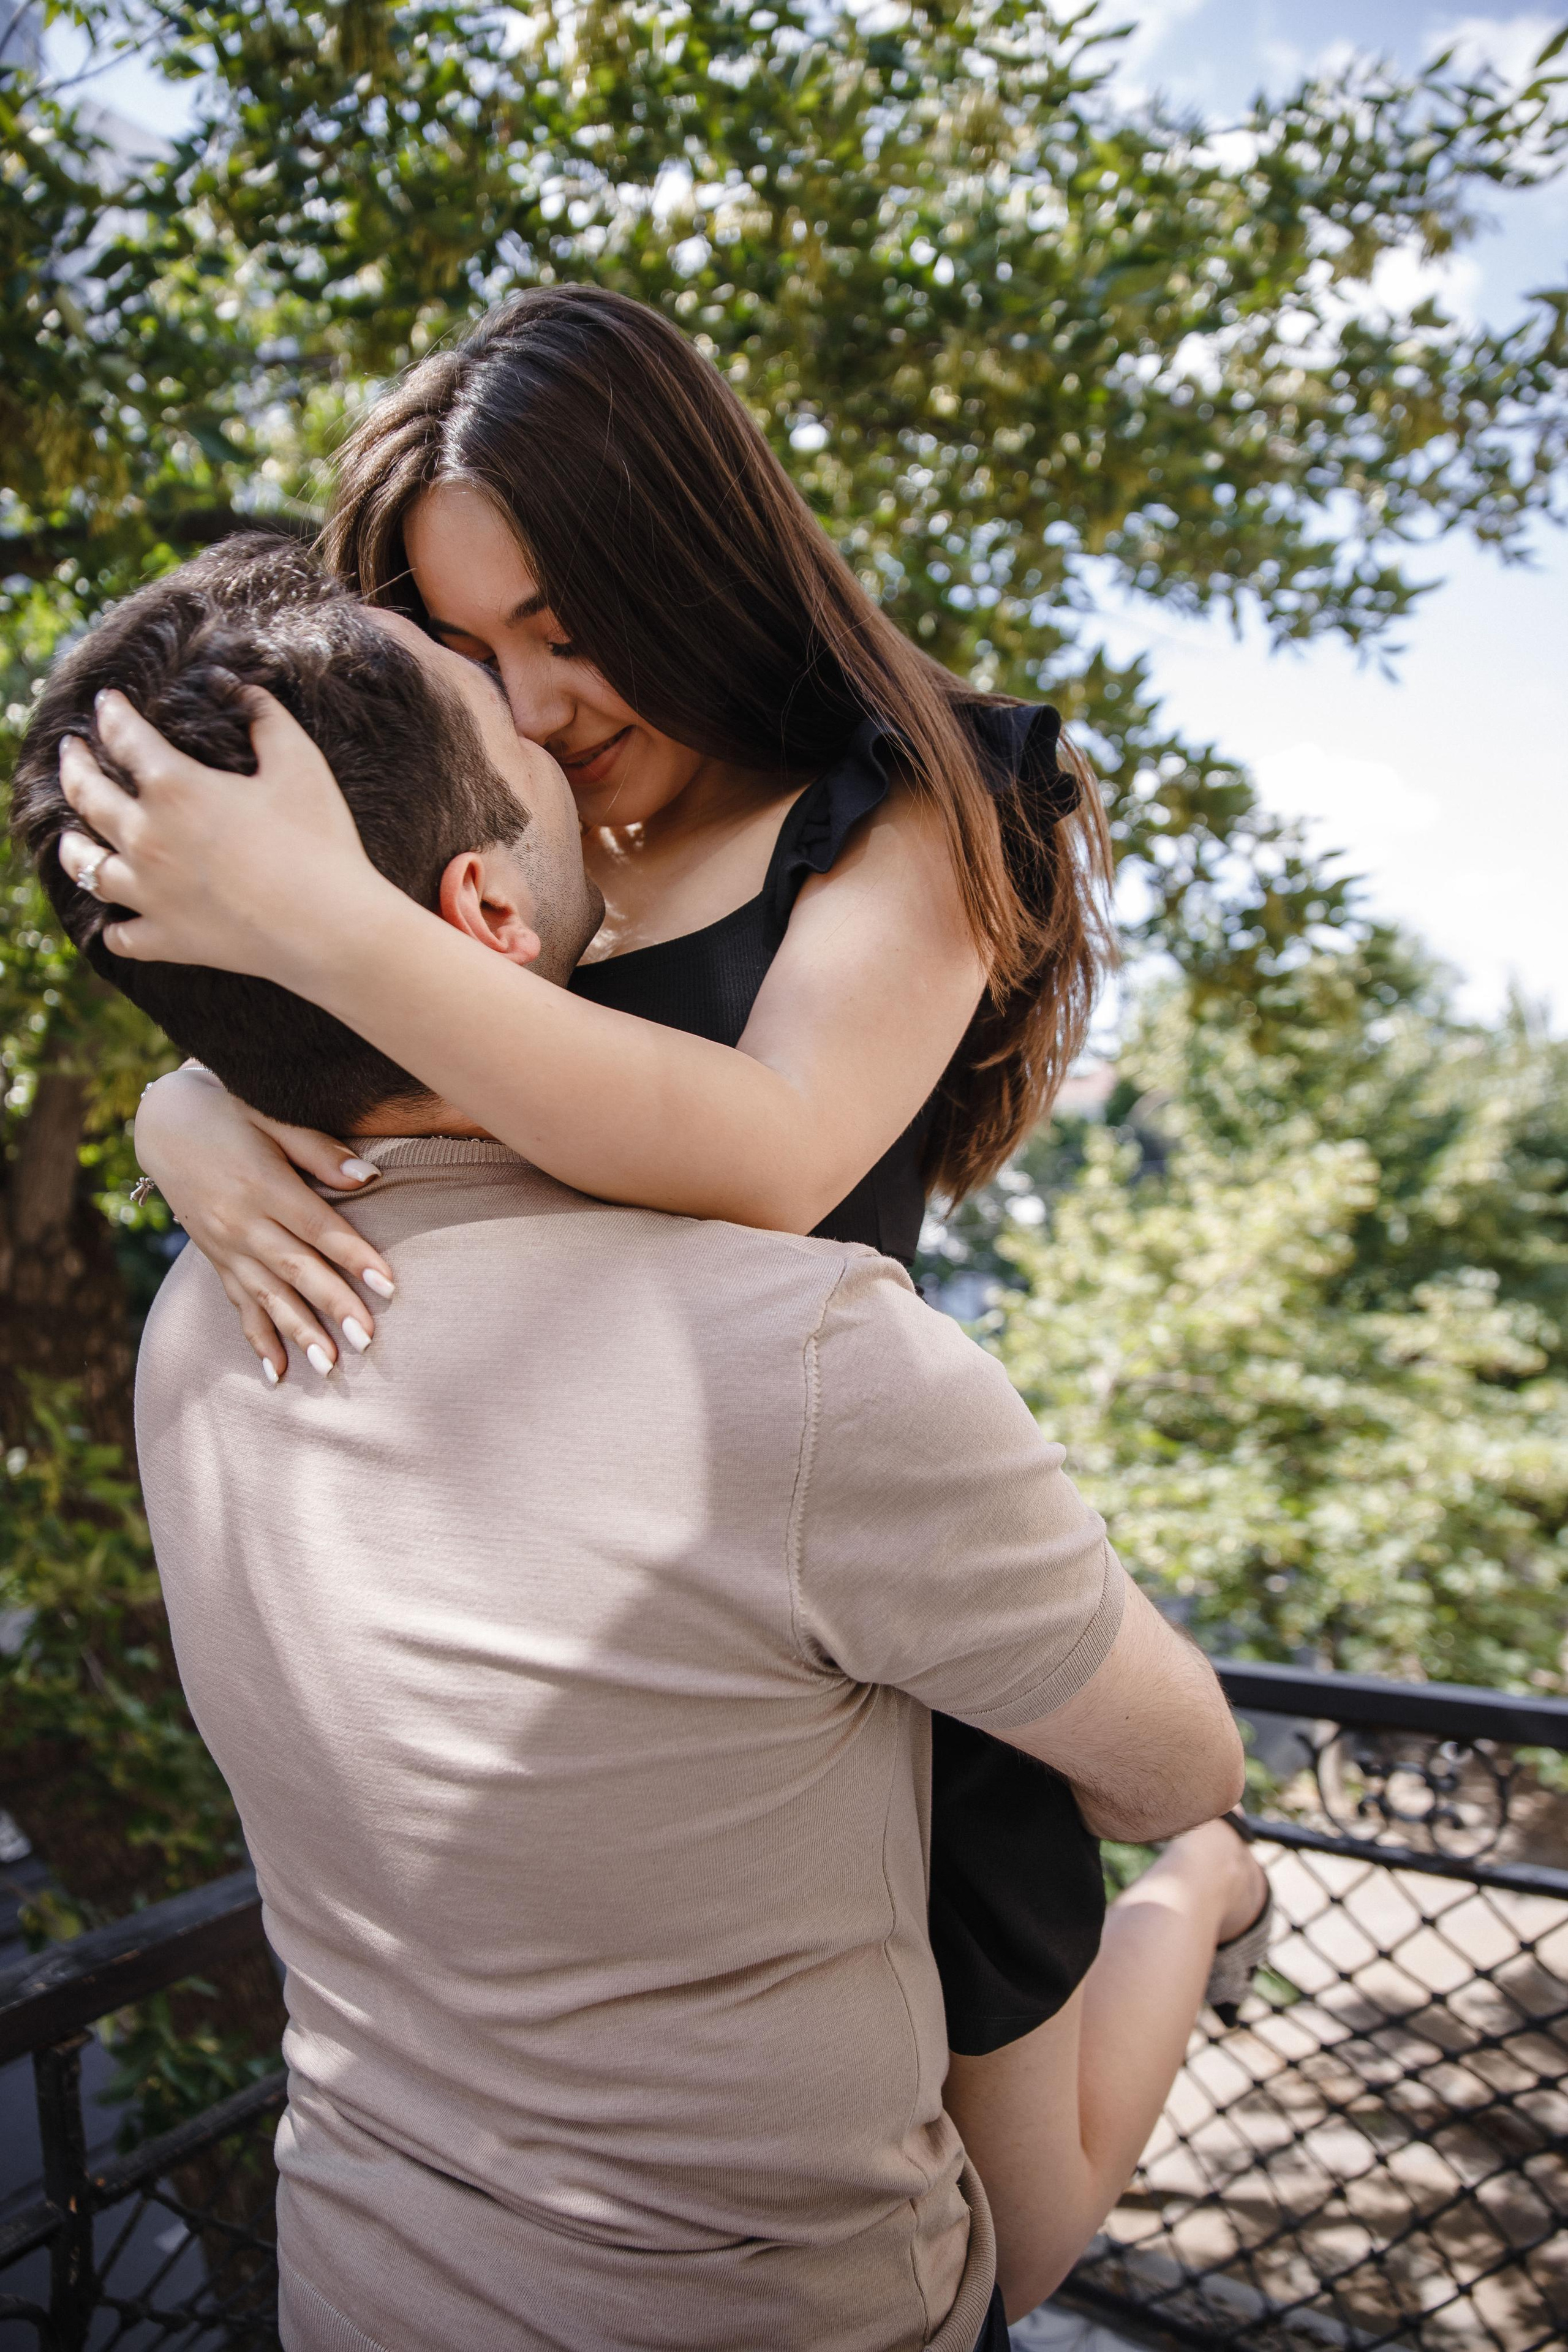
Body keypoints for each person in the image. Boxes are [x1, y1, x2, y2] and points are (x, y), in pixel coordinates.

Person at [19, 539, 1270, 2348]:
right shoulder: (804, 1358)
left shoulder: (196, 1325)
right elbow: (1175, 1761)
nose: (549, 728)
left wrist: (197, 1086)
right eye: (491, 703)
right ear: (483, 910)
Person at [41, 289, 1134, 2092]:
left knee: (995, 2233)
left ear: (695, 556)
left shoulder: (912, 805)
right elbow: (340, 1069)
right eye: (468, 644)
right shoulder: (509, 819)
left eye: (569, 623)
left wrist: (316, 917)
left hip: (845, 1602)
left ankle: (1210, 1900)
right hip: (590, 1668)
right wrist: (193, 1098)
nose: (536, 701)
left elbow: (771, 1149)